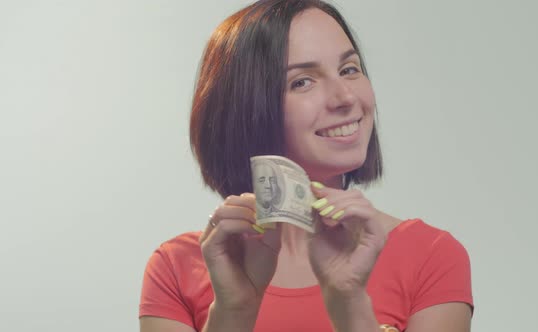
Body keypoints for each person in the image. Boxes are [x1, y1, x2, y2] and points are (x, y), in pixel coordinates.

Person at [139, 1, 473, 331]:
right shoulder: (176, 268)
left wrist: (351, 304)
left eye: (349, 69)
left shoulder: (432, 256)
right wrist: (234, 310)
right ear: (245, 107)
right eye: (302, 81)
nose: (345, 98)